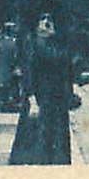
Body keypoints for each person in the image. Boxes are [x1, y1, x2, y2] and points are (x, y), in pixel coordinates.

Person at [26, 12, 77, 164]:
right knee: (42, 138)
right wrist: (32, 100)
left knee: (60, 138)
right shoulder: (33, 43)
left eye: (50, 19)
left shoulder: (60, 46)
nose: (47, 22)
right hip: (41, 97)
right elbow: (29, 73)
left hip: (59, 98)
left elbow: (68, 73)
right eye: (43, 19)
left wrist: (70, 95)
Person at [0, 21, 22, 112]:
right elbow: (17, 57)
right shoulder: (15, 44)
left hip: (1, 68)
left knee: (1, 87)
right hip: (11, 69)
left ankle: (1, 105)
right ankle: (10, 105)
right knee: (12, 87)